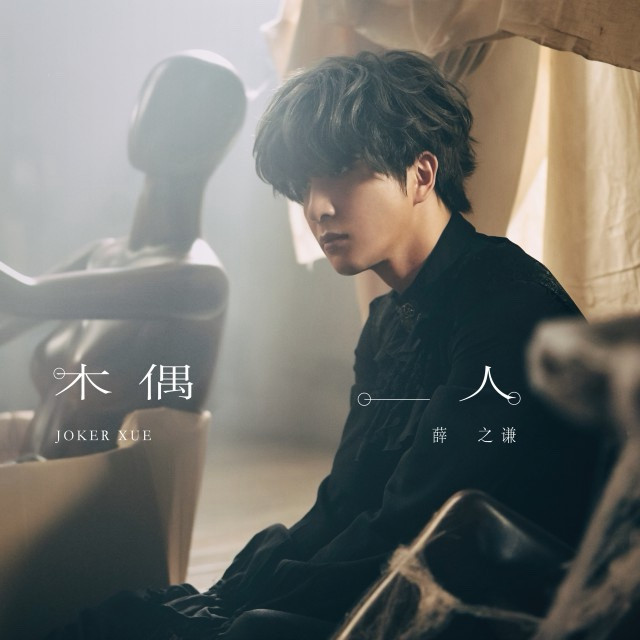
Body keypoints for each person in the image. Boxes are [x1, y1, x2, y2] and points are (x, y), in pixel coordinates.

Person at [44, 50, 602, 639]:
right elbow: (346, 499)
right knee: (127, 617)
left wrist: (255, 603)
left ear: (421, 174)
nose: (318, 208)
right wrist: (234, 594)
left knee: (246, 629)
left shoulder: (507, 308)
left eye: (342, 172)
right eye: (304, 186)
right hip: (392, 581)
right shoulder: (386, 320)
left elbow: (425, 524)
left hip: (489, 607)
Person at [0, 51, 245, 459]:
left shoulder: (198, 281)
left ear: (222, 136)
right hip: (33, 477)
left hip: (105, 493)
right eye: (152, 98)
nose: (155, 117)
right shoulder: (102, 255)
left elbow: (24, 295)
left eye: (184, 110)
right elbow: (10, 315)